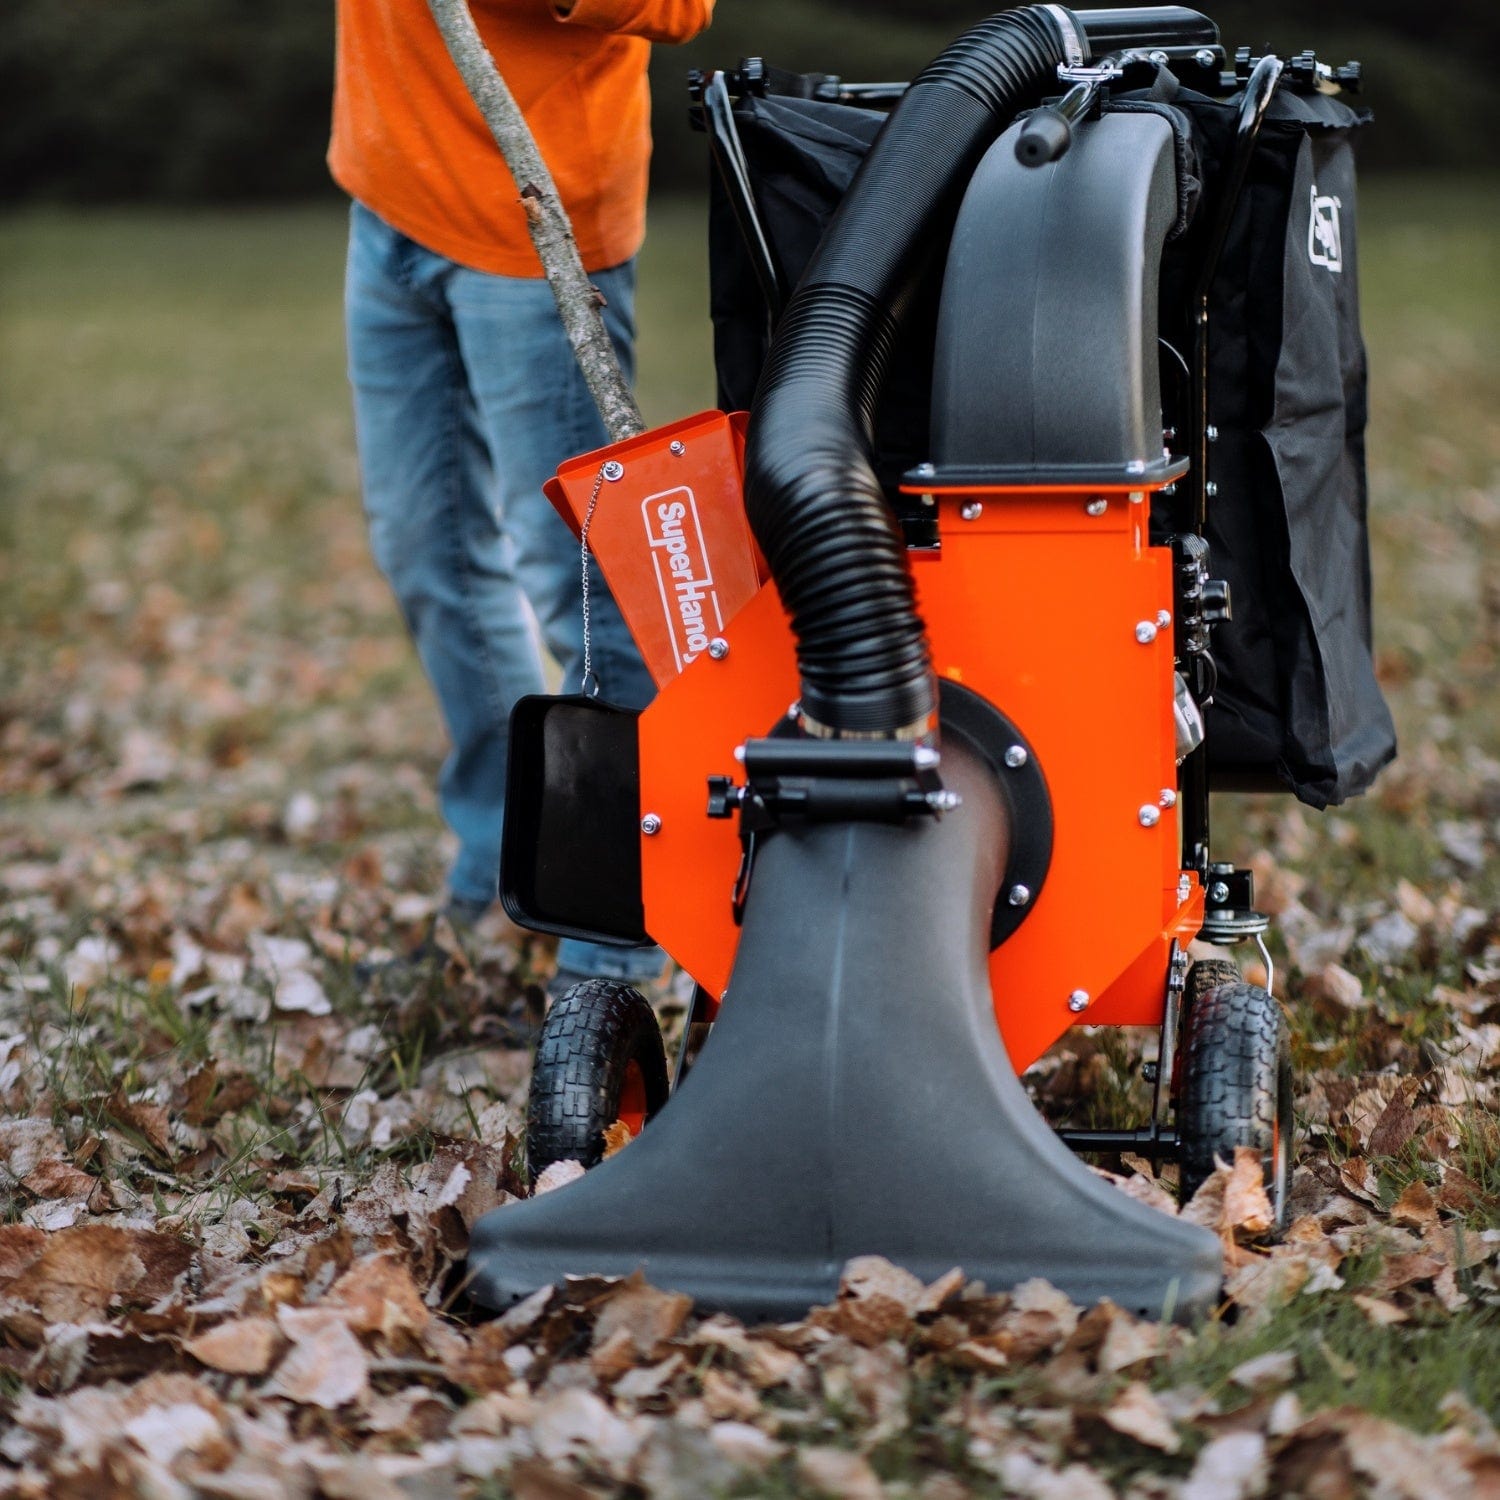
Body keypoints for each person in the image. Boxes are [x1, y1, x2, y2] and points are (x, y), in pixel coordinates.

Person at [328, 0, 713, 995]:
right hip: (389, 196)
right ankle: (508, 864)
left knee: (582, 582)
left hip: (536, 221)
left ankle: (616, 936)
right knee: (427, 552)